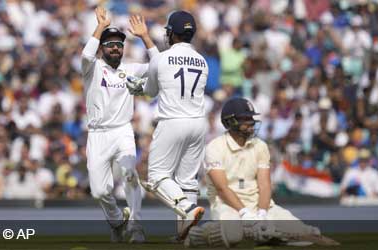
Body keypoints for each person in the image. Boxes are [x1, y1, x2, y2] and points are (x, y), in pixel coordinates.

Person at [184, 98, 339, 247]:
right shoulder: (214, 148)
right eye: (245, 119)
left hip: (259, 205)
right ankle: (196, 235)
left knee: (306, 233)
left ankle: (268, 235)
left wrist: (262, 213)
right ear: (230, 122)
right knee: (233, 235)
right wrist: (244, 213)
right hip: (227, 206)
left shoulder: (260, 146)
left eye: (251, 118)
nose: (251, 123)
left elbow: (265, 185)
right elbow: (222, 188)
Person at [126, 10, 208, 240]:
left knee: (157, 176)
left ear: (172, 33)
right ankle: (188, 236)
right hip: (198, 124)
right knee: (187, 180)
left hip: (173, 121)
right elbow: (166, 65)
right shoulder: (202, 61)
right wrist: (146, 38)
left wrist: (137, 87)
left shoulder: (162, 59)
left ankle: (187, 209)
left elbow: (151, 89)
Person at [80, 7, 158, 243]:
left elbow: (159, 66)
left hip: (122, 131)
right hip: (97, 134)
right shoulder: (92, 69)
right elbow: (85, 56)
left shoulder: (130, 70)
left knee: (130, 175)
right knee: (100, 191)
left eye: (119, 44)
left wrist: (145, 37)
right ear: (102, 48)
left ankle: (135, 225)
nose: (115, 47)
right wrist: (101, 27)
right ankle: (117, 221)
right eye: (110, 44)